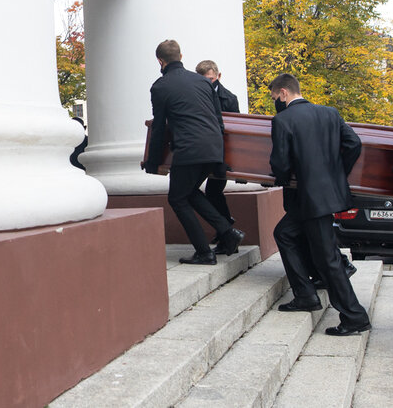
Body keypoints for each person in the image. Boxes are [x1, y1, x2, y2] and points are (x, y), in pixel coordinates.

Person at [268, 74, 370, 336]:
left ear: (283, 93)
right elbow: (354, 144)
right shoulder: (329, 113)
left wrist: (284, 177)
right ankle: (306, 294)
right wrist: (336, 173)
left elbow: (280, 163)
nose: (275, 103)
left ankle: (354, 315)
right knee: (285, 233)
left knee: (328, 259)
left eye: (274, 98)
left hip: (308, 196)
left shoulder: (283, 120)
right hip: (327, 194)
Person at [143, 40, 244, 265]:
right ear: (181, 55)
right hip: (213, 147)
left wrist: (153, 161)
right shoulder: (202, 82)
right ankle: (228, 232)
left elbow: (159, 126)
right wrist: (221, 154)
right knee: (187, 193)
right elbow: (218, 119)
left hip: (189, 150)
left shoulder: (160, 86)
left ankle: (205, 252)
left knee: (177, 198)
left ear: (160, 61)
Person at [195, 60, 239, 229]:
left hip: (222, 153)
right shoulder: (197, 96)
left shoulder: (229, 99)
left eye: (211, 79)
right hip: (203, 150)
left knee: (213, 192)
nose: (209, 83)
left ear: (218, 76)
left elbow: (235, 129)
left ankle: (226, 228)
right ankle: (226, 228)